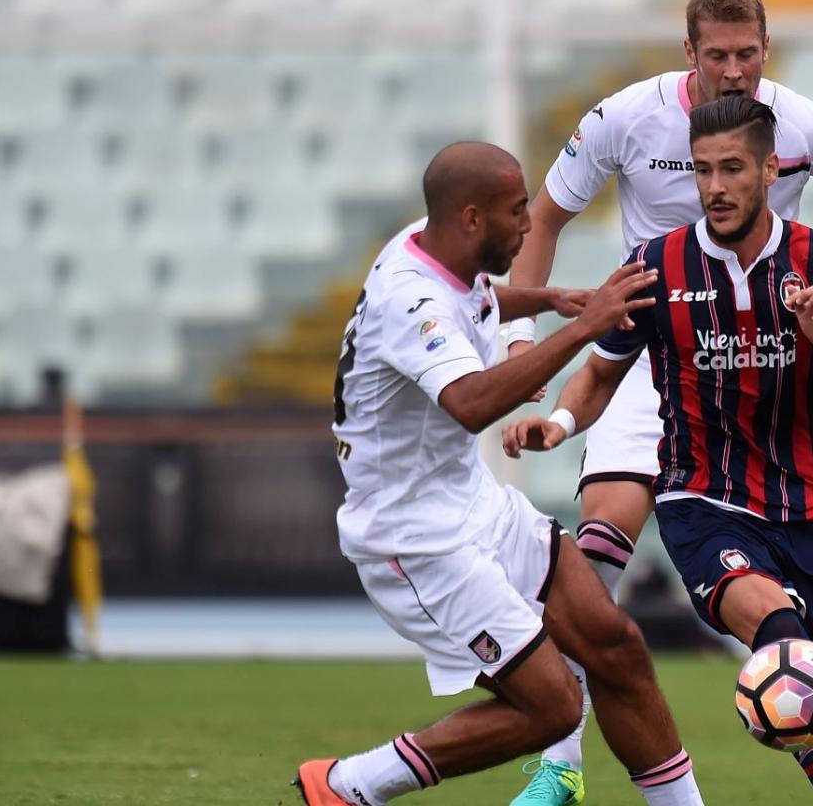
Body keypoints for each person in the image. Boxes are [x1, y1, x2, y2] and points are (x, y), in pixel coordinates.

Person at [505, 0, 813, 805]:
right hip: (653, 350)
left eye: (748, 54)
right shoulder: (625, 117)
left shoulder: (805, 124)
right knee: (593, 560)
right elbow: (545, 217)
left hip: (766, 363)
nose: (734, 71)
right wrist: (521, 344)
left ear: (766, 50)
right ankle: (560, 765)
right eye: (718, 55)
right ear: (689, 54)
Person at [292, 141, 705, 806]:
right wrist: (581, 329)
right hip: (415, 541)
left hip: (472, 504)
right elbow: (471, 403)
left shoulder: (435, 245)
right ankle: (348, 785)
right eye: (518, 213)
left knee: (615, 644)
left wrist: (552, 298)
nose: (529, 225)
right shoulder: (411, 300)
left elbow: (478, 299)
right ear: (471, 217)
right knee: (553, 707)